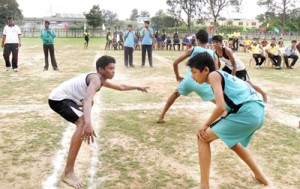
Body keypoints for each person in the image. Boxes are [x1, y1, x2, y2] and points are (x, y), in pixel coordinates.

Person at [48, 55, 148, 188]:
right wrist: (88, 123)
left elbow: (120, 87)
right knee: (82, 122)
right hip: (58, 99)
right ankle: (68, 172)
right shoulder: (95, 80)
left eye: (114, 68)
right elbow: (87, 100)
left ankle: (80, 128)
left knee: (90, 105)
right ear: (101, 69)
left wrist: (137, 87)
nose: (113, 71)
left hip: (69, 99)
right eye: (110, 68)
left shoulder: (100, 79)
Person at [187, 52, 269, 189]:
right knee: (232, 141)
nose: (192, 76)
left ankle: (204, 186)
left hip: (247, 112)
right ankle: (260, 176)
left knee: (203, 137)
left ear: (206, 70)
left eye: (194, 72)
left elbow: (221, 106)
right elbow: (226, 108)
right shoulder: (222, 75)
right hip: (257, 111)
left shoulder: (213, 75)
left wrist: (206, 124)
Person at [157, 29, 219, 123]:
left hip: (189, 81)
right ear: (208, 40)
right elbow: (217, 72)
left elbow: (175, 63)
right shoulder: (213, 54)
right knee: (220, 103)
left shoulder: (193, 49)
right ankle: (231, 116)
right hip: (203, 84)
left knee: (175, 94)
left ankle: (161, 116)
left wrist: (177, 77)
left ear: (197, 40)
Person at [212, 35, 267, 102]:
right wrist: (217, 72)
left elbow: (234, 65)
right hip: (229, 67)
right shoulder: (215, 52)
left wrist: (231, 78)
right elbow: (218, 64)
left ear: (221, 43)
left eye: (217, 42)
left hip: (239, 68)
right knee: (221, 78)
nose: (215, 44)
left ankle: (263, 94)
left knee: (249, 84)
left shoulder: (227, 50)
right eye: (213, 42)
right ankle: (225, 98)